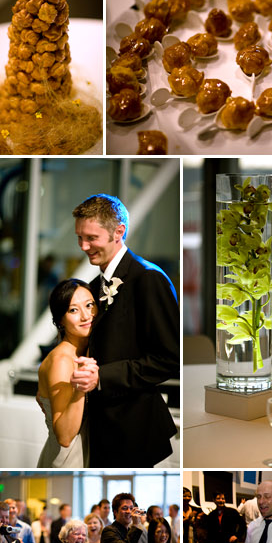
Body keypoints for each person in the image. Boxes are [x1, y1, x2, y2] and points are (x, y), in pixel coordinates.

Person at [68, 190, 179, 462]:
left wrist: (102, 378)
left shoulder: (148, 279)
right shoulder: (95, 286)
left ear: (119, 232)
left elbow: (169, 359)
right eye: (80, 237)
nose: (83, 246)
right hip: (100, 423)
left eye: (91, 238)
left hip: (132, 426)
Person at [36, 276, 99, 463]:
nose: (86, 316)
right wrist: (81, 388)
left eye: (89, 305)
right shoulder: (62, 360)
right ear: (60, 320)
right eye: (73, 310)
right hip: (68, 458)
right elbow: (64, 437)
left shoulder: (85, 350)